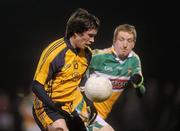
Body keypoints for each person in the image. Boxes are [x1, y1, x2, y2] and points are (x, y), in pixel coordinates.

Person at [31, 8, 100, 131]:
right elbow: (36, 86)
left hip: (72, 105)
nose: (93, 40)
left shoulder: (87, 54)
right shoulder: (55, 53)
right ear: (77, 32)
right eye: (90, 36)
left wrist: (90, 105)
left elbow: (80, 84)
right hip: (48, 105)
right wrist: (54, 107)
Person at [80, 24, 146, 131]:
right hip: (83, 109)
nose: (125, 45)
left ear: (133, 44)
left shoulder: (134, 60)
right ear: (114, 41)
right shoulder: (98, 56)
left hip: (101, 115)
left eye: (129, 41)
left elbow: (141, 93)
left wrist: (138, 85)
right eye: (121, 39)